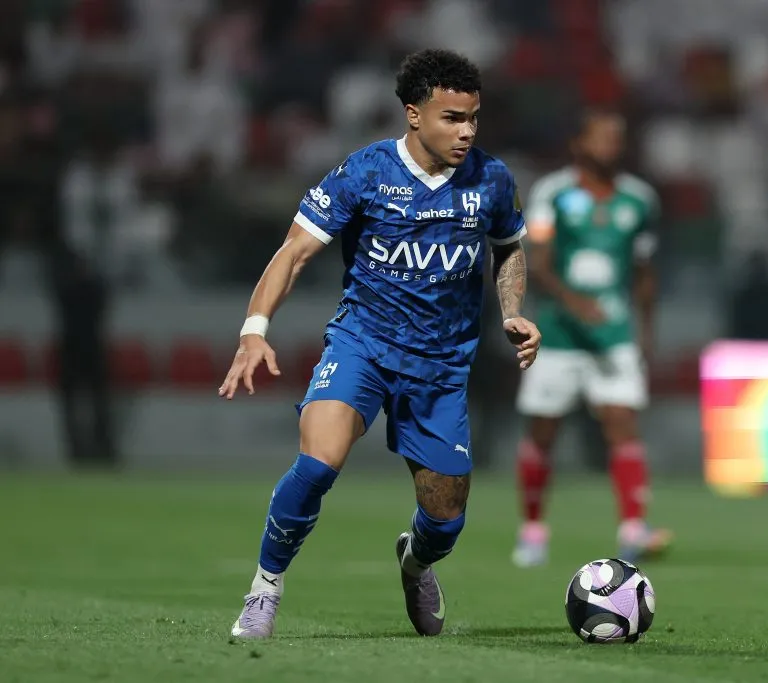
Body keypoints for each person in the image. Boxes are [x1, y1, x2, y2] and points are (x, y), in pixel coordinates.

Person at [219, 49, 541, 639]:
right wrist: (253, 329)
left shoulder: (491, 179)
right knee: (317, 465)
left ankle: (415, 563)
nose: (467, 131)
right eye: (452, 118)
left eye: (473, 118)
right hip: (362, 344)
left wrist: (513, 312)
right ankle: (263, 591)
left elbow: (510, 247)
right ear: (414, 115)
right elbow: (294, 252)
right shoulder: (364, 173)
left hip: (442, 365)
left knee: (445, 523)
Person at [511, 108, 670, 568]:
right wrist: (573, 301)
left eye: (616, 138)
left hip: (613, 333)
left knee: (622, 424)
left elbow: (643, 270)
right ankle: (534, 529)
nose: (610, 147)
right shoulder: (553, 194)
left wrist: (645, 330)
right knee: (543, 430)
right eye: (600, 139)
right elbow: (536, 261)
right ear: (579, 144)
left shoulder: (640, 200)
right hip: (557, 336)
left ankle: (634, 528)